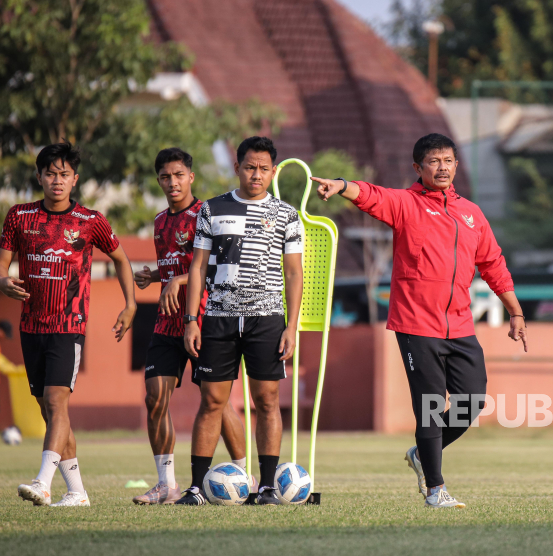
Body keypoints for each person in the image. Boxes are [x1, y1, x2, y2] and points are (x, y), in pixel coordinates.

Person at [312, 133, 527, 509]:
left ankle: (422, 453)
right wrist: (342, 185)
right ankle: (435, 490)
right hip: (416, 325)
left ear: (457, 165)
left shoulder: (472, 213)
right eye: (433, 161)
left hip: (460, 326)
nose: (442, 167)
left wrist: (515, 311)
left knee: (472, 402)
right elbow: (372, 194)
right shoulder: (406, 204)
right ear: (418, 168)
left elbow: (493, 264)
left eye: (448, 160)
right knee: (429, 404)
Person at [0, 142, 137, 507]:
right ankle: (77, 492)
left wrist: (131, 303)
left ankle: (43, 482)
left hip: (68, 324)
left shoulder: (90, 221)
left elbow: (120, 259)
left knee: (57, 403)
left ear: (75, 179)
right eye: (51, 174)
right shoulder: (19, 217)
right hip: (31, 325)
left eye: (64, 175)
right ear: (40, 176)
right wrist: (0, 282)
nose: (57, 181)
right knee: (50, 409)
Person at [177, 136, 303, 506]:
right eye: (250, 167)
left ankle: (265, 488)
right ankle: (197, 488)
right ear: (237, 168)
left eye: (264, 169)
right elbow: (198, 266)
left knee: (267, 401)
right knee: (212, 401)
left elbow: (294, 274)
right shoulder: (211, 210)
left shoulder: (287, 215)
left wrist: (291, 327)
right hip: (218, 319)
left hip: (267, 321)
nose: (257, 175)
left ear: (274, 171)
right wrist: (191, 320)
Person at [132, 148, 249, 505]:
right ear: (159, 181)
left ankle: (247, 476)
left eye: (179, 175)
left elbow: (222, 265)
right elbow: (174, 267)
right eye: (165, 177)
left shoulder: (208, 214)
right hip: (167, 325)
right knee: (154, 398)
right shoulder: (159, 222)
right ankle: (166, 484)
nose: (172, 182)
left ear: (191, 177)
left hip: (206, 320)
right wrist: (156, 275)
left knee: (219, 402)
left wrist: (179, 282)